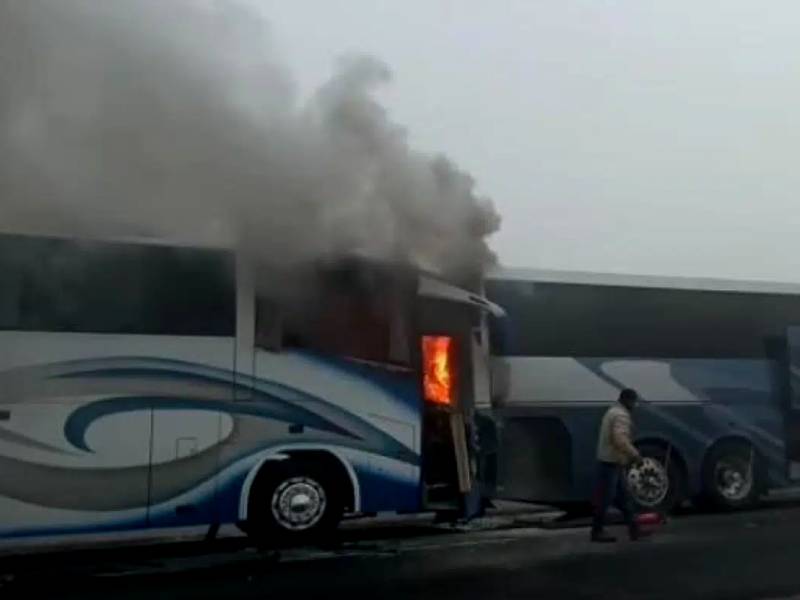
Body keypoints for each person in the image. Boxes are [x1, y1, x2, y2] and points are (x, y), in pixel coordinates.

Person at [591, 388, 643, 543]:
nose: (634, 406)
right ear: (628, 400)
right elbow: (619, 439)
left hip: (612, 461)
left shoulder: (612, 411)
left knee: (623, 496)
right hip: (611, 462)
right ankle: (597, 531)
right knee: (606, 498)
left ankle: (634, 527)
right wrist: (635, 455)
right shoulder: (621, 415)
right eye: (634, 402)